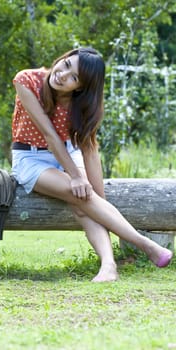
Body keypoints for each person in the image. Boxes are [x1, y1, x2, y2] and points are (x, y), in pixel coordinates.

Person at [11, 47, 173, 282]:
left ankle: (109, 266)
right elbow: (49, 136)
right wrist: (77, 177)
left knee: (84, 202)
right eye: (66, 65)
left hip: (68, 153)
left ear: (80, 87)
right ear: (62, 59)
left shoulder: (82, 105)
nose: (63, 75)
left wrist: (99, 201)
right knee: (75, 191)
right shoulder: (27, 80)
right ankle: (145, 245)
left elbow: (88, 149)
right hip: (30, 157)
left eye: (74, 78)